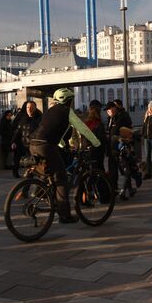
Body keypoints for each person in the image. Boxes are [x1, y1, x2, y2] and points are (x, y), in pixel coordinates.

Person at [29, 88, 101, 223]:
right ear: (68, 100)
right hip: (46, 146)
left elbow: (52, 131)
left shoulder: (50, 111)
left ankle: (41, 191)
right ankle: (64, 215)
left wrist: (63, 145)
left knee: (50, 173)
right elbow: (83, 128)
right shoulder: (67, 112)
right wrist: (96, 143)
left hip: (33, 144)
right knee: (61, 179)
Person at [105, 101, 133, 193]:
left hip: (120, 148)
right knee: (113, 170)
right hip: (111, 148)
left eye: (110, 109)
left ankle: (128, 188)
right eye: (107, 110)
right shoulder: (109, 119)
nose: (108, 111)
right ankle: (114, 188)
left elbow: (127, 131)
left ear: (114, 108)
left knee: (124, 170)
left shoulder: (121, 118)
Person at [11, 101, 42, 178]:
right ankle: (19, 175)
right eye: (28, 107)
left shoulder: (40, 118)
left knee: (35, 162)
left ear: (35, 108)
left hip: (33, 145)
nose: (29, 109)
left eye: (31, 107)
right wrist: (14, 141)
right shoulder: (23, 117)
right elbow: (18, 130)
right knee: (18, 159)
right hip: (21, 143)